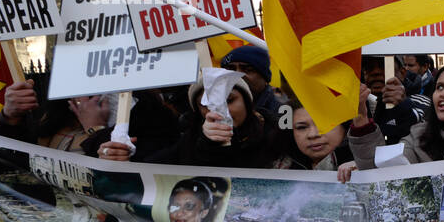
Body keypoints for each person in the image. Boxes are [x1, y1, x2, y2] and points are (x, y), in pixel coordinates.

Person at [146, 79, 283, 169]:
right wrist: (125, 161)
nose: (220, 110)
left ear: (247, 102)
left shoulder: (277, 133)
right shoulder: (190, 140)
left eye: (229, 100)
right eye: (207, 105)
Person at [274, 100, 351, 170]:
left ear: (344, 126)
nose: (313, 134)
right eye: (302, 127)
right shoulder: (279, 168)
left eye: (323, 124)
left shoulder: (359, 165)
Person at [221, 46, 283, 122]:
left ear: (264, 77)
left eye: (248, 70)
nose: (237, 75)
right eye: (231, 69)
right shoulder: (214, 109)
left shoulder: (283, 112)